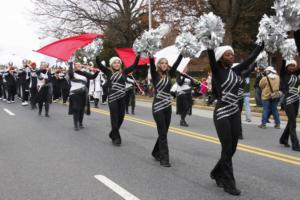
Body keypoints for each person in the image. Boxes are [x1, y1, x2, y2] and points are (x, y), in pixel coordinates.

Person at [207, 44, 263, 196]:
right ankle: (228, 183)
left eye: (232, 54)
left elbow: (251, 58)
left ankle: (216, 171)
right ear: (220, 58)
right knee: (226, 147)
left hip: (234, 112)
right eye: (228, 54)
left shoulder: (236, 71)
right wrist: (209, 41)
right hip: (222, 113)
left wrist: (262, 43)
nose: (232, 56)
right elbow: (210, 55)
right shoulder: (216, 70)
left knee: (232, 148)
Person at [96, 54, 140, 146]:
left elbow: (134, 65)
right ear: (111, 64)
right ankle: (116, 137)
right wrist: (97, 56)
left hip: (122, 98)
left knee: (121, 117)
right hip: (112, 98)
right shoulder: (108, 72)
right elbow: (99, 65)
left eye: (118, 62)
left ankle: (113, 132)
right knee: (114, 118)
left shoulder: (124, 72)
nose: (116, 64)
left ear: (120, 64)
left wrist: (138, 55)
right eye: (114, 63)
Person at [149, 54, 183, 167]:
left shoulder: (169, 74)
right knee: (162, 133)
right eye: (162, 63)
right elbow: (151, 63)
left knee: (164, 132)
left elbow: (177, 63)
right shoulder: (154, 75)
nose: (164, 65)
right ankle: (164, 159)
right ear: (158, 65)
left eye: (166, 63)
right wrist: (150, 54)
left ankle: (155, 152)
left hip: (167, 106)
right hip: (158, 106)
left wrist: (182, 53)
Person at [68, 62, 100, 131]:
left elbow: (92, 77)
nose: (78, 65)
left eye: (79, 64)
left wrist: (97, 72)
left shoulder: (84, 73)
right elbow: (70, 72)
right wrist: (70, 64)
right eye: (77, 65)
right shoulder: (72, 73)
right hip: (74, 93)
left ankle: (80, 123)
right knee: (76, 108)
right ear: (74, 66)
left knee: (82, 109)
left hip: (83, 93)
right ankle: (75, 125)